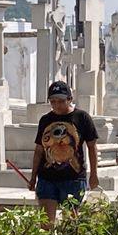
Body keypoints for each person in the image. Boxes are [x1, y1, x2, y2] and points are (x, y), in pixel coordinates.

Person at [31, 80, 99, 222]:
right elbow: (39, 150)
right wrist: (33, 177)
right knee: (46, 223)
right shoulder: (45, 120)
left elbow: (92, 146)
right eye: (53, 101)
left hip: (73, 178)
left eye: (61, 101)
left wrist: (94, 174)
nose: (56, 105)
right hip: (47, 178)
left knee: (70, 224)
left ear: (69, 99)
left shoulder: (82, 118)